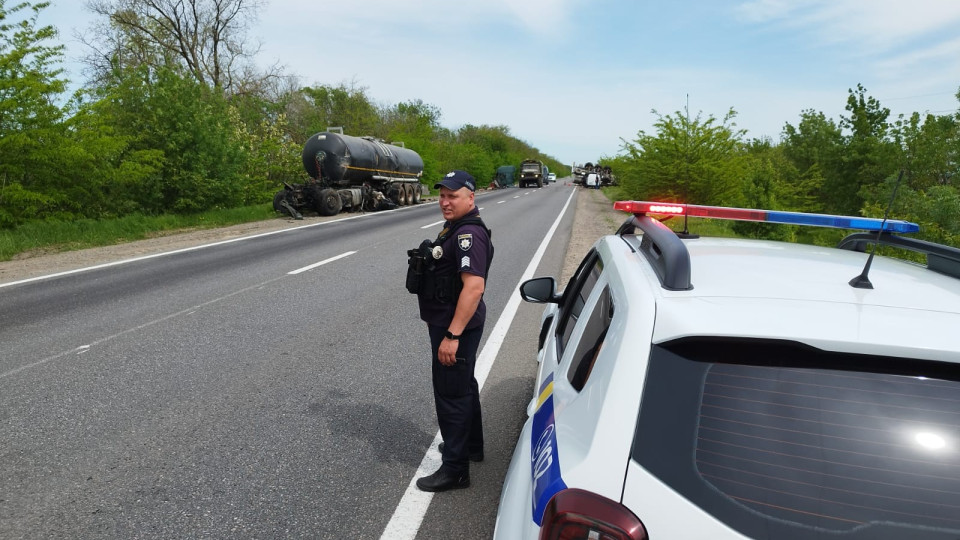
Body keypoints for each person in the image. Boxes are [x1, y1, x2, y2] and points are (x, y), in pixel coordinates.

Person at [412, 170, 493, 492]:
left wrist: (452, 336)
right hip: (452, 322)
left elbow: (473, 288)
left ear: (470, 197)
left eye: (453, 196)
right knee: (464, 386)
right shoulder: (456, 227)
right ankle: (471, 447)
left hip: (454, 326)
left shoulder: (468, 235)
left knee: (451, 394)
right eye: (442, 195)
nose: (445, 202)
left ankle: (456, 470)